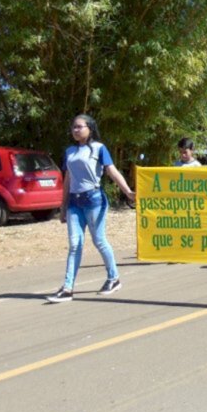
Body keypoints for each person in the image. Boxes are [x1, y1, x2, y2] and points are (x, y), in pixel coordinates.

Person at [47, 114, 135, 303]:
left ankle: (114, 278)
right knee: (74, 245)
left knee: (99, 241)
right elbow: (68, 179)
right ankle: (68, 288)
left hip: (94, 199)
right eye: (73, 127)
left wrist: (128, 192)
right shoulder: (70, 151)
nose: (75, 130)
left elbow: (112, 171)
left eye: (79, 127)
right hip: (74, 202)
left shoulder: (99, 148)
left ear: (90, 128)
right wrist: (62, 207)